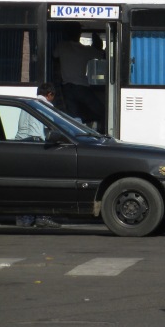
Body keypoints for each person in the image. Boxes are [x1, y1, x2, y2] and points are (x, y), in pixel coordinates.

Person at [15, 84, 62, 230]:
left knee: (25, 185)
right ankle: (43, 217)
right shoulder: (46, 105)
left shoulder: (29, 103)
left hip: (20, 144)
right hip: (36, 144)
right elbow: (54, 126)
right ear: (49, 94)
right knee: (43, 184)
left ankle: (24, 218)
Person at [53, 23, 103, 126]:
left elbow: (54, 55)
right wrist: (95, 37)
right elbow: (100, 53)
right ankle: (93, 126)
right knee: (101, 111)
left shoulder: (61, 46)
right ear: (79, 34)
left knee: (73, 117)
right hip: (82, 88)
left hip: (67, 88)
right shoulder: (85, 50)